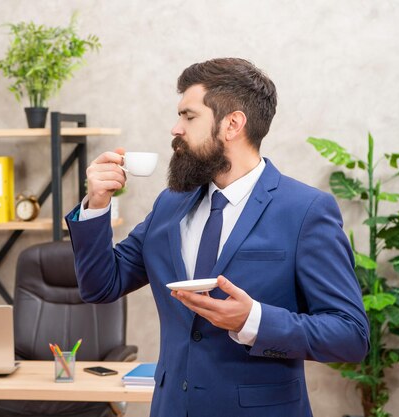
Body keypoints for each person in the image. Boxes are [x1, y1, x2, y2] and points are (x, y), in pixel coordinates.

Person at [65, 58, 369, 417]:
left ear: (232, 124)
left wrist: (252, 320)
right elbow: (101, 286)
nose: (176, 129)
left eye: (189, 116)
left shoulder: (305, 210)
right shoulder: (170, 205)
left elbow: (350, 336)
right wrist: (97, 205)